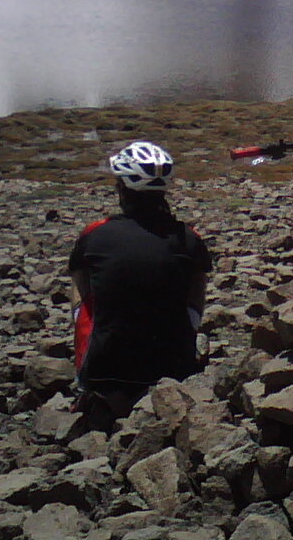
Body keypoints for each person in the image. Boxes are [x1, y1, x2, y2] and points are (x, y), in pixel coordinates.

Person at [68, 141, 211, 428]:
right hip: (175, 368)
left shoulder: (95, 234)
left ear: (121, 188)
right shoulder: (189, 238)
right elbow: (196, 291)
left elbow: (80, 281)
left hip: (104, 370)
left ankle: (89, 382)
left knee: (88, 292)